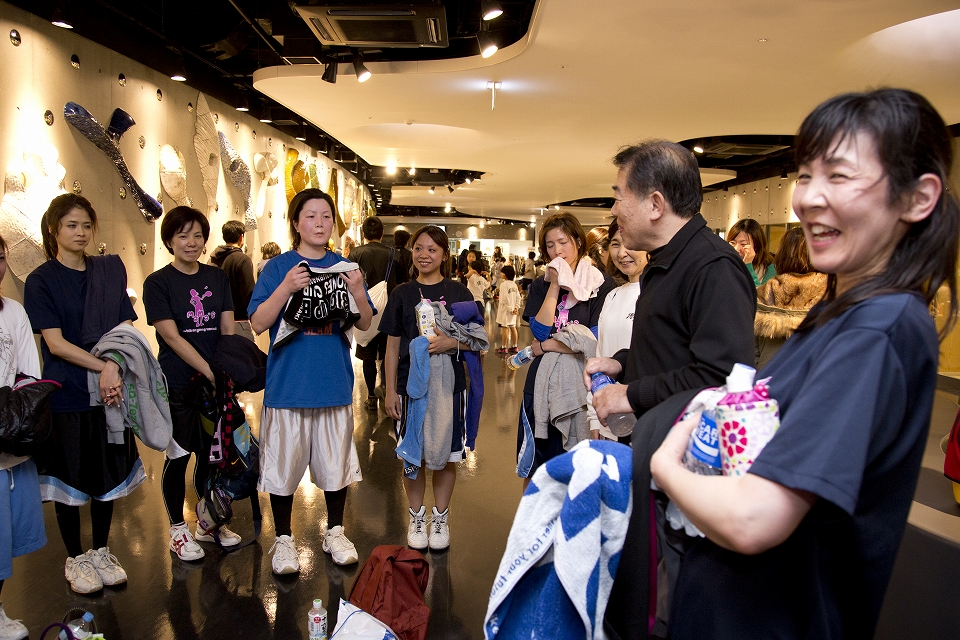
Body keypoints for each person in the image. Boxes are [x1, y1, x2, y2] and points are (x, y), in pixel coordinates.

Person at [649, 88, 958, 639]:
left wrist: (665, 463)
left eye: (839, 176)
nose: (808, 199)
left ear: (918, 198)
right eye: (807, 176)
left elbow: (752, 519)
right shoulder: (844, 312)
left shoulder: (877, 329)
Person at [587, 139, 756, 428]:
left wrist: (631, 394)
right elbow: (670, 353)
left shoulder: (714, 267)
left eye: (619, 198)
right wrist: (622, 363)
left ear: (655, 204)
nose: (613, 211)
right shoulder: (663, 262)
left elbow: (722, 377)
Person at [249, 189, 373, 573]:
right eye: (311, 216)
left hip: (333, 385)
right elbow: (257, 323)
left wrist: (357, 289)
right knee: (283, 470)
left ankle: (335, 531)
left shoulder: (344, 268)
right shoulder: (278, 269)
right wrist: (286, 287)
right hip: (288, 387)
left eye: (326, 216)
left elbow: (366, 324)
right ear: (296, 223)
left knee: (336, 468)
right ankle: (284, 539)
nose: (320, 224)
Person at [24, 193, 141, 594]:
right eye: (71, 225)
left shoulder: (107, 272)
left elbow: (125, 330)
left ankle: (101, 551)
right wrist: (105, 366)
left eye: (86, 225)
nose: (80, 233)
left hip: (109, 393)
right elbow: (55, 344)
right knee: (70, 480)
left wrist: (115, 366)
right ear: (53, 229)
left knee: (105, 475)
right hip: (67, 394)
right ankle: (75, 558)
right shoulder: (41, 281)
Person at [143, 206, 240, 562]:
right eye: (182, 235)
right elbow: (171, 337)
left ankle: (207, 522)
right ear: (169, 240)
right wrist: (209, 371)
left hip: (213, 383)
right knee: (179, 454)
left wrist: (225, 370)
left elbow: (227, 328)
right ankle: (177, 530)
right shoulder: (158, 283)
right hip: (178, 384)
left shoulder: (217, 277)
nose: (191, 242)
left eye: (198, 235)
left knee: (211, 456)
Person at [381, 225, 476, 551]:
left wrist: (452, 342)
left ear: (445, 255)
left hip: (450, 387)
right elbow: (392, 346)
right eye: (418, 248)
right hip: (410, 387)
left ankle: (440, 518)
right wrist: (390, 390)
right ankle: (416, 517)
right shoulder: (402, 294)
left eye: (432, 249)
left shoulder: (459, 292)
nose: (424, 255)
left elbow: (477, 340)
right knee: (412, 453)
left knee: (446, 454)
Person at [517, 212, 616, 480]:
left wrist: (546, 346)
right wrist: (553, 286)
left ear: (578, 242)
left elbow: (593, 340)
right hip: (541, 382)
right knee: (537, 468)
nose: (557, 251)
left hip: (581, 384)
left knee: (577, 466)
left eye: (563, 242)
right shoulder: (541, 285)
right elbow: (539, 331)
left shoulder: (600, 283)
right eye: (550, 245)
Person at [0, 233, 45, 640]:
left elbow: (29, 374)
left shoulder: (13, 311)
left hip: (7, 440)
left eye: (0, 258)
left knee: (5, 536)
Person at [587, 220, 646, 440]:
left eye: (630, 243)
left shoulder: (656, 294)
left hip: (641, 414)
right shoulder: (612, 295)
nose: (622, 253)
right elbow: (600, 355)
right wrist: (593, 415)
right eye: (615, 244)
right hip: (608, 415)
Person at [754, 227, 826, 368]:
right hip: (813, 375)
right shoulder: (831, 291)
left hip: (769, 375)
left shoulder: (766, 291)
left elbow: (753, 351)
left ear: (782, 255)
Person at [350, 216, 399, 411]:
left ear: (363, 233)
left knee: (367, 354)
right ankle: (387, 389)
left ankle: (371, 396)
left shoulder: (355, 253)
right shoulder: (394, 254)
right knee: (389, 352)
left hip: (365, 311)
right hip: (390, 311)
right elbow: (403, 282)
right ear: (382, 233)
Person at [210, 220, 255, 341]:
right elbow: (249, 292)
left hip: (216, 322)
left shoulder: (213, 259)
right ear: (241, 237)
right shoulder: (242, 260)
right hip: (238, 321)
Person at [727, 218, 776, 286]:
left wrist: (748, 265)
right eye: (732, 243)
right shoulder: (725, 263)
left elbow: (758, 292)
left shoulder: (769, 268)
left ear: (756, 246)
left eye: (743, 244)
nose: (736, 249)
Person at [495, 264, 521, 354]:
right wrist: (516, 308)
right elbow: (518, 297)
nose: (501, 274)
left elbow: (504, 298)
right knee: (513, 327)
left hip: (506, 310)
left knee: (505, 327)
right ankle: (515, 346)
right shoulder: (514, 284)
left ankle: (503, 347)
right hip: (513, 309)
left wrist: (510, 309)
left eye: (502, 272)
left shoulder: (503, 285)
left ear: (505, 274)